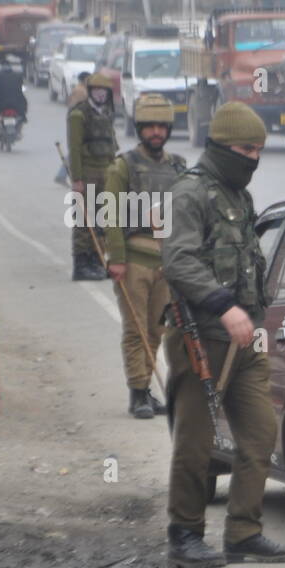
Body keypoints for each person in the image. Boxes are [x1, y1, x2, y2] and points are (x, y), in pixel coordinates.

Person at [161, 101, 285, 568]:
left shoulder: (239, 196)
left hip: (246, 341)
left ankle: (243, 532)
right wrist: (223, 305)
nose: (253, 158)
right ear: (219, 145)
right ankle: (185, 534)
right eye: (244, 148)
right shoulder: (189, 194)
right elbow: (177, 260)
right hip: (200, 338)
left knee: (259, 435)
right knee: (196, 444)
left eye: (259, 149)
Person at [104, 94, 187, 419]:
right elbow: (110, 215)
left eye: (161, 126)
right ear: (139, 129)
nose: (156, 132)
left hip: (166, 263)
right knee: (135, 328)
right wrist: (117, 258)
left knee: (156, 330)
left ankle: (147, 390)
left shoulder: (178, 167)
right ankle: (138, 392)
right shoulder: (123, 167)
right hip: (134, 260)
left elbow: (185, 214)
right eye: (149, 126)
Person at [66, 71, 118, 280]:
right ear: (90, 92)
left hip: (105, 170)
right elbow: (75, 147)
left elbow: (111, 143)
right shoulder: (79, 114)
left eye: (104, 91)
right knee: (83, 219)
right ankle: (82, 263)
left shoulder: (106, 113)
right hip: (87, 172)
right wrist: (77, 179)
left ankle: (97, 259)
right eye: (96, 91)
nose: (100, 95)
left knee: (103, 218)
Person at [0, 55, 28, 136]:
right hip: (17, 105)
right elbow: (20, 89)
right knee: (22, 113)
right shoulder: (17, 77)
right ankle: (18, 130)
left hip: (0, 105)